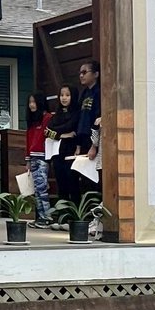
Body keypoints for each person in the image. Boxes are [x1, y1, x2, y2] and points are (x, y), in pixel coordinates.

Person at [46, 83, 80, 212]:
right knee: (61, 184)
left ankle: (74, 215)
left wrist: (58, 133)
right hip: (57, 152)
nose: (64, 98)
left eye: (67, 95)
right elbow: (47, 131)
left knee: (73, 183)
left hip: (71, 151)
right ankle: (62, 215)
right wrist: (63, 135)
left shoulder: (77, 113)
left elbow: (72, 127)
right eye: (61, 95)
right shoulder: (57, 114)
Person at [23, 92, 52, 227]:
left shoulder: (47, 118)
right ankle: (40, 217)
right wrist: (27, 160)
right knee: (36, 189)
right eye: (30, 102)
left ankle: (46, 217)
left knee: (41, 187)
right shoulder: (32, 121)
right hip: (33, 157)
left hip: (42, 157)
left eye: (34, 102)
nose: (31, 105)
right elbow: (28, 141)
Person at [74, 59, 102, 194]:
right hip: (83, 138)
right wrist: (78, 144)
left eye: (85, 72)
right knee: (83, 177)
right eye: (80, 73)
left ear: (96, 74)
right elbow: (80, 118)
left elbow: (97, 120)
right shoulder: (84, 93)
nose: (81, 75)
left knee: (93, 177)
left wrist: (94, 145)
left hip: (94, 140)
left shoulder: (99, 92)